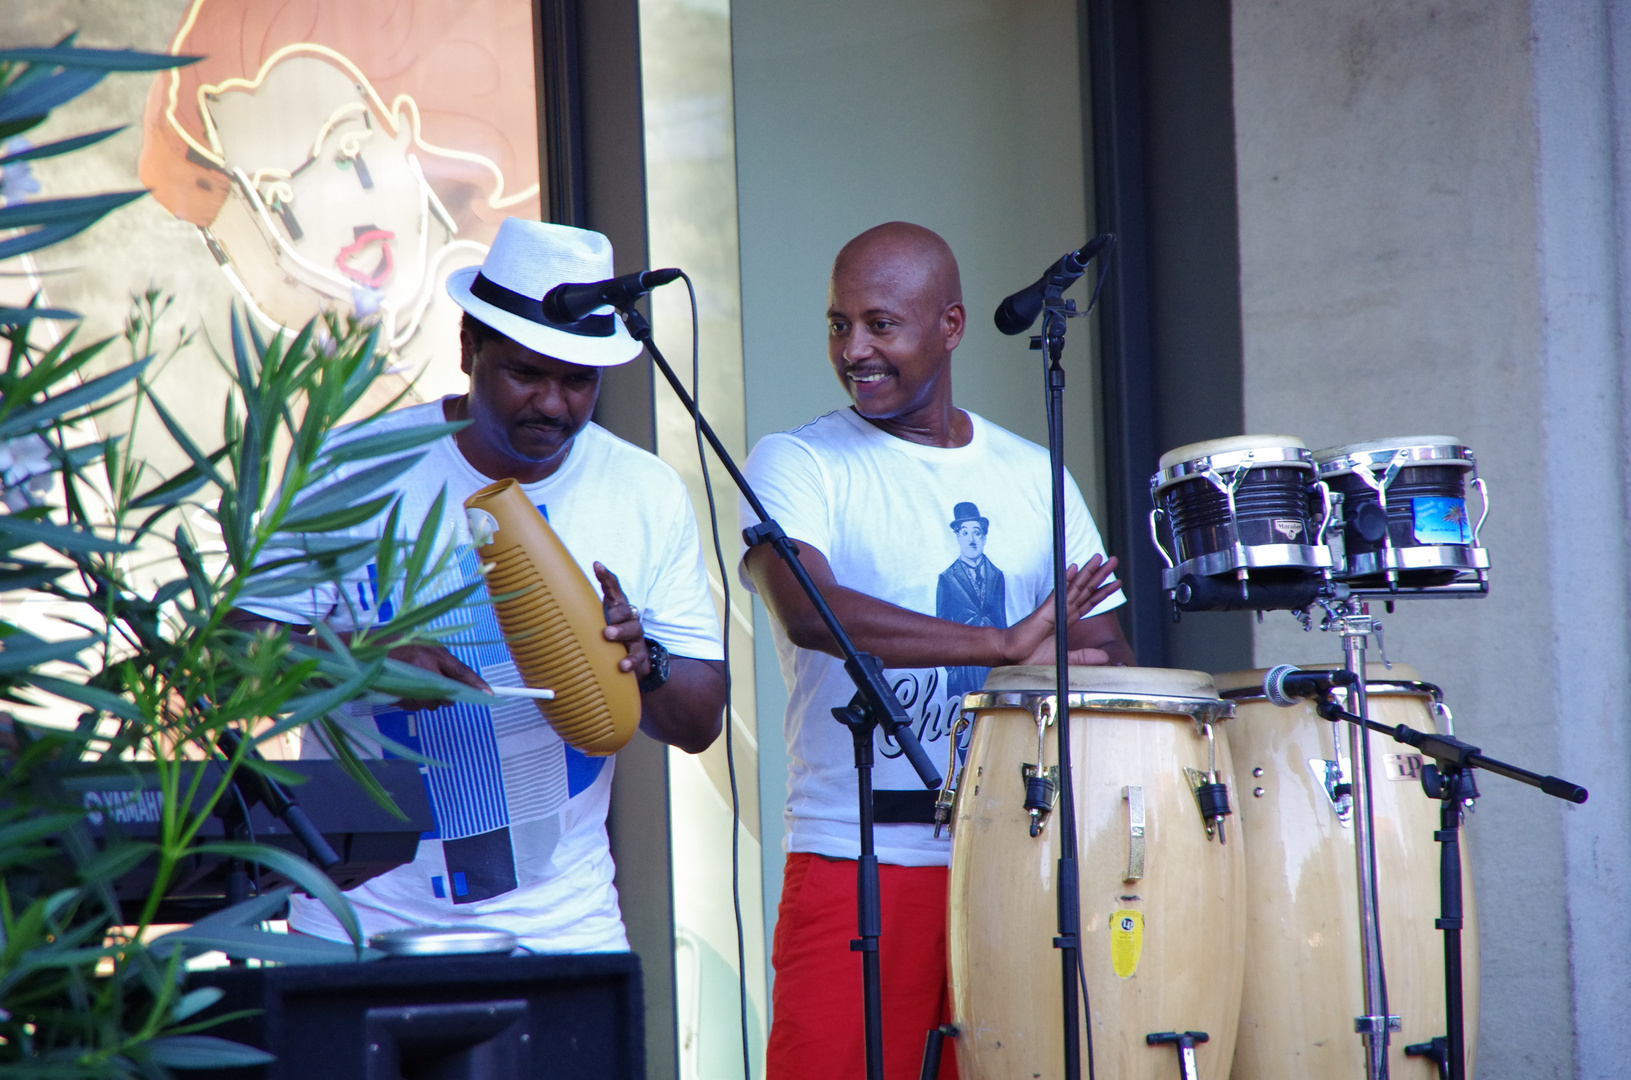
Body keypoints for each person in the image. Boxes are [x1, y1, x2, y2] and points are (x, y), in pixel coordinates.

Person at [232, 218, 726, 952]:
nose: (554, 405)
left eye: (578, 381)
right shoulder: (356, 466)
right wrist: (356, 661)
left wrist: (642, 660)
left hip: (563, 935)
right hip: (355, 930)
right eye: (527, 373)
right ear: (468, 348)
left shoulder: (644, 491)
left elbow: (696, 725)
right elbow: (225, 661)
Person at [740, 222, 1134, 1079]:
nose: (854, 350)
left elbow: (1105, 655)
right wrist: (1001, 643)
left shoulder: (1035, 477)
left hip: (1013, 855)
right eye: (839, 325)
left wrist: (1042, 656)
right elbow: (809, 607)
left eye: (881, 324)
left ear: (949, 326)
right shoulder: (800, 462)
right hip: (859, 855)